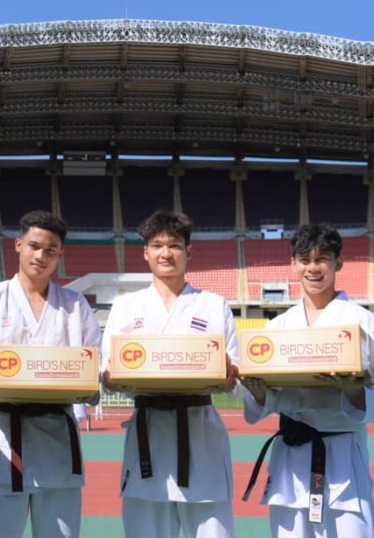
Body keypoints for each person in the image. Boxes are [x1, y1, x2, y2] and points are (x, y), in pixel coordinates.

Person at [241, 223, 374, 538]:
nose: (313, 268)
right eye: (305, 260)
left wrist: (355, 392)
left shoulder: (365, 323)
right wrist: (258, 395)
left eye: (322, 259)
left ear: (338, 263)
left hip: (342, 451)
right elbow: (265, 397)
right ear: (293, 264)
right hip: (291, 454)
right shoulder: (277, 328)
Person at [0, 210, 101, 538]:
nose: (41, 256)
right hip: (1, 432)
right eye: (35, 246)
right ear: (18, 245)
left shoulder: (75, 305)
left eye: (51, 250)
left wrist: (88, 381)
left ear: (60, 254)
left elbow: (94, 360)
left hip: (57, 437)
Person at [101, 210, 240, 538]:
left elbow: (234, 377)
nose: (166, 253)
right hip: (148, 432)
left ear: (188, 251)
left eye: (175, 245)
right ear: (145, 252)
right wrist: (111, 377)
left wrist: (228, 373)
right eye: (157, 245)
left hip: (200, 431)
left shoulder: (213, 305)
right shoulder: (126, 306)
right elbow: (107, 372)